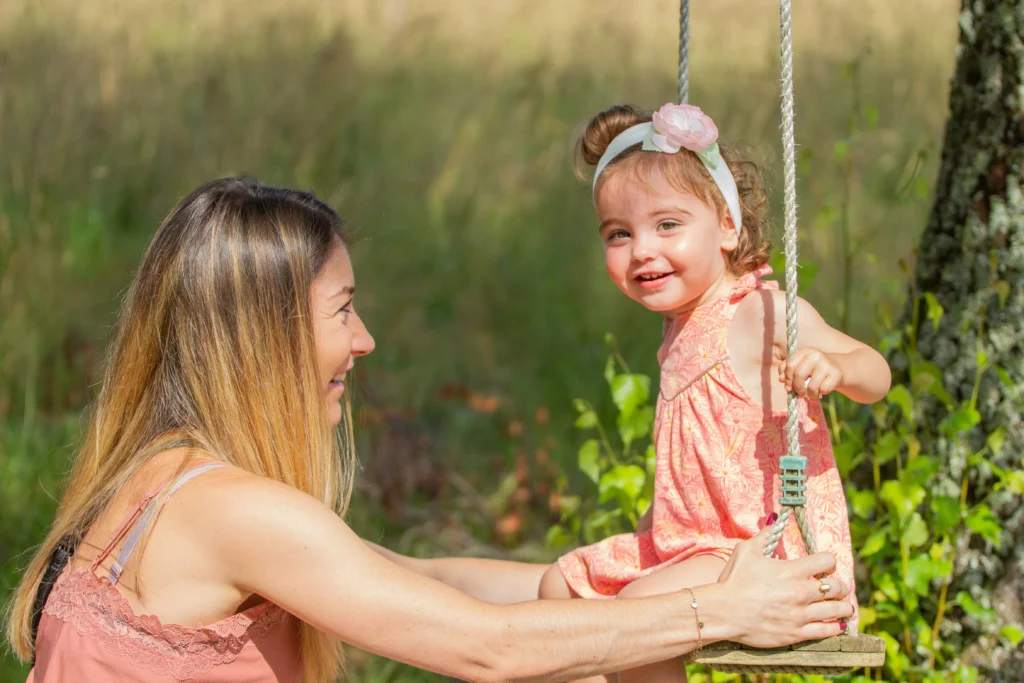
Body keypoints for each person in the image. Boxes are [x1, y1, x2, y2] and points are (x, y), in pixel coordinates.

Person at [6, 177, 854, 683]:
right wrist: (718, 607)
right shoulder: (231, 510)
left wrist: (622, 574)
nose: (365, 338)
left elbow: (409, 575)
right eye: (343, 310)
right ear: (266, 335)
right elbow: (482, 649)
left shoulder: (163, 473)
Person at [538, 103, 892, 682]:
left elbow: (874, 372)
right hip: (686, 544)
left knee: (637, 619)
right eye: (619, 234)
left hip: (759, 549)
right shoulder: (680, 325)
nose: (642, 249)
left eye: (668, 225)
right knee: (560, 589)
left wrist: (834, 366)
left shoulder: (756, 311)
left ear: (727, 225)